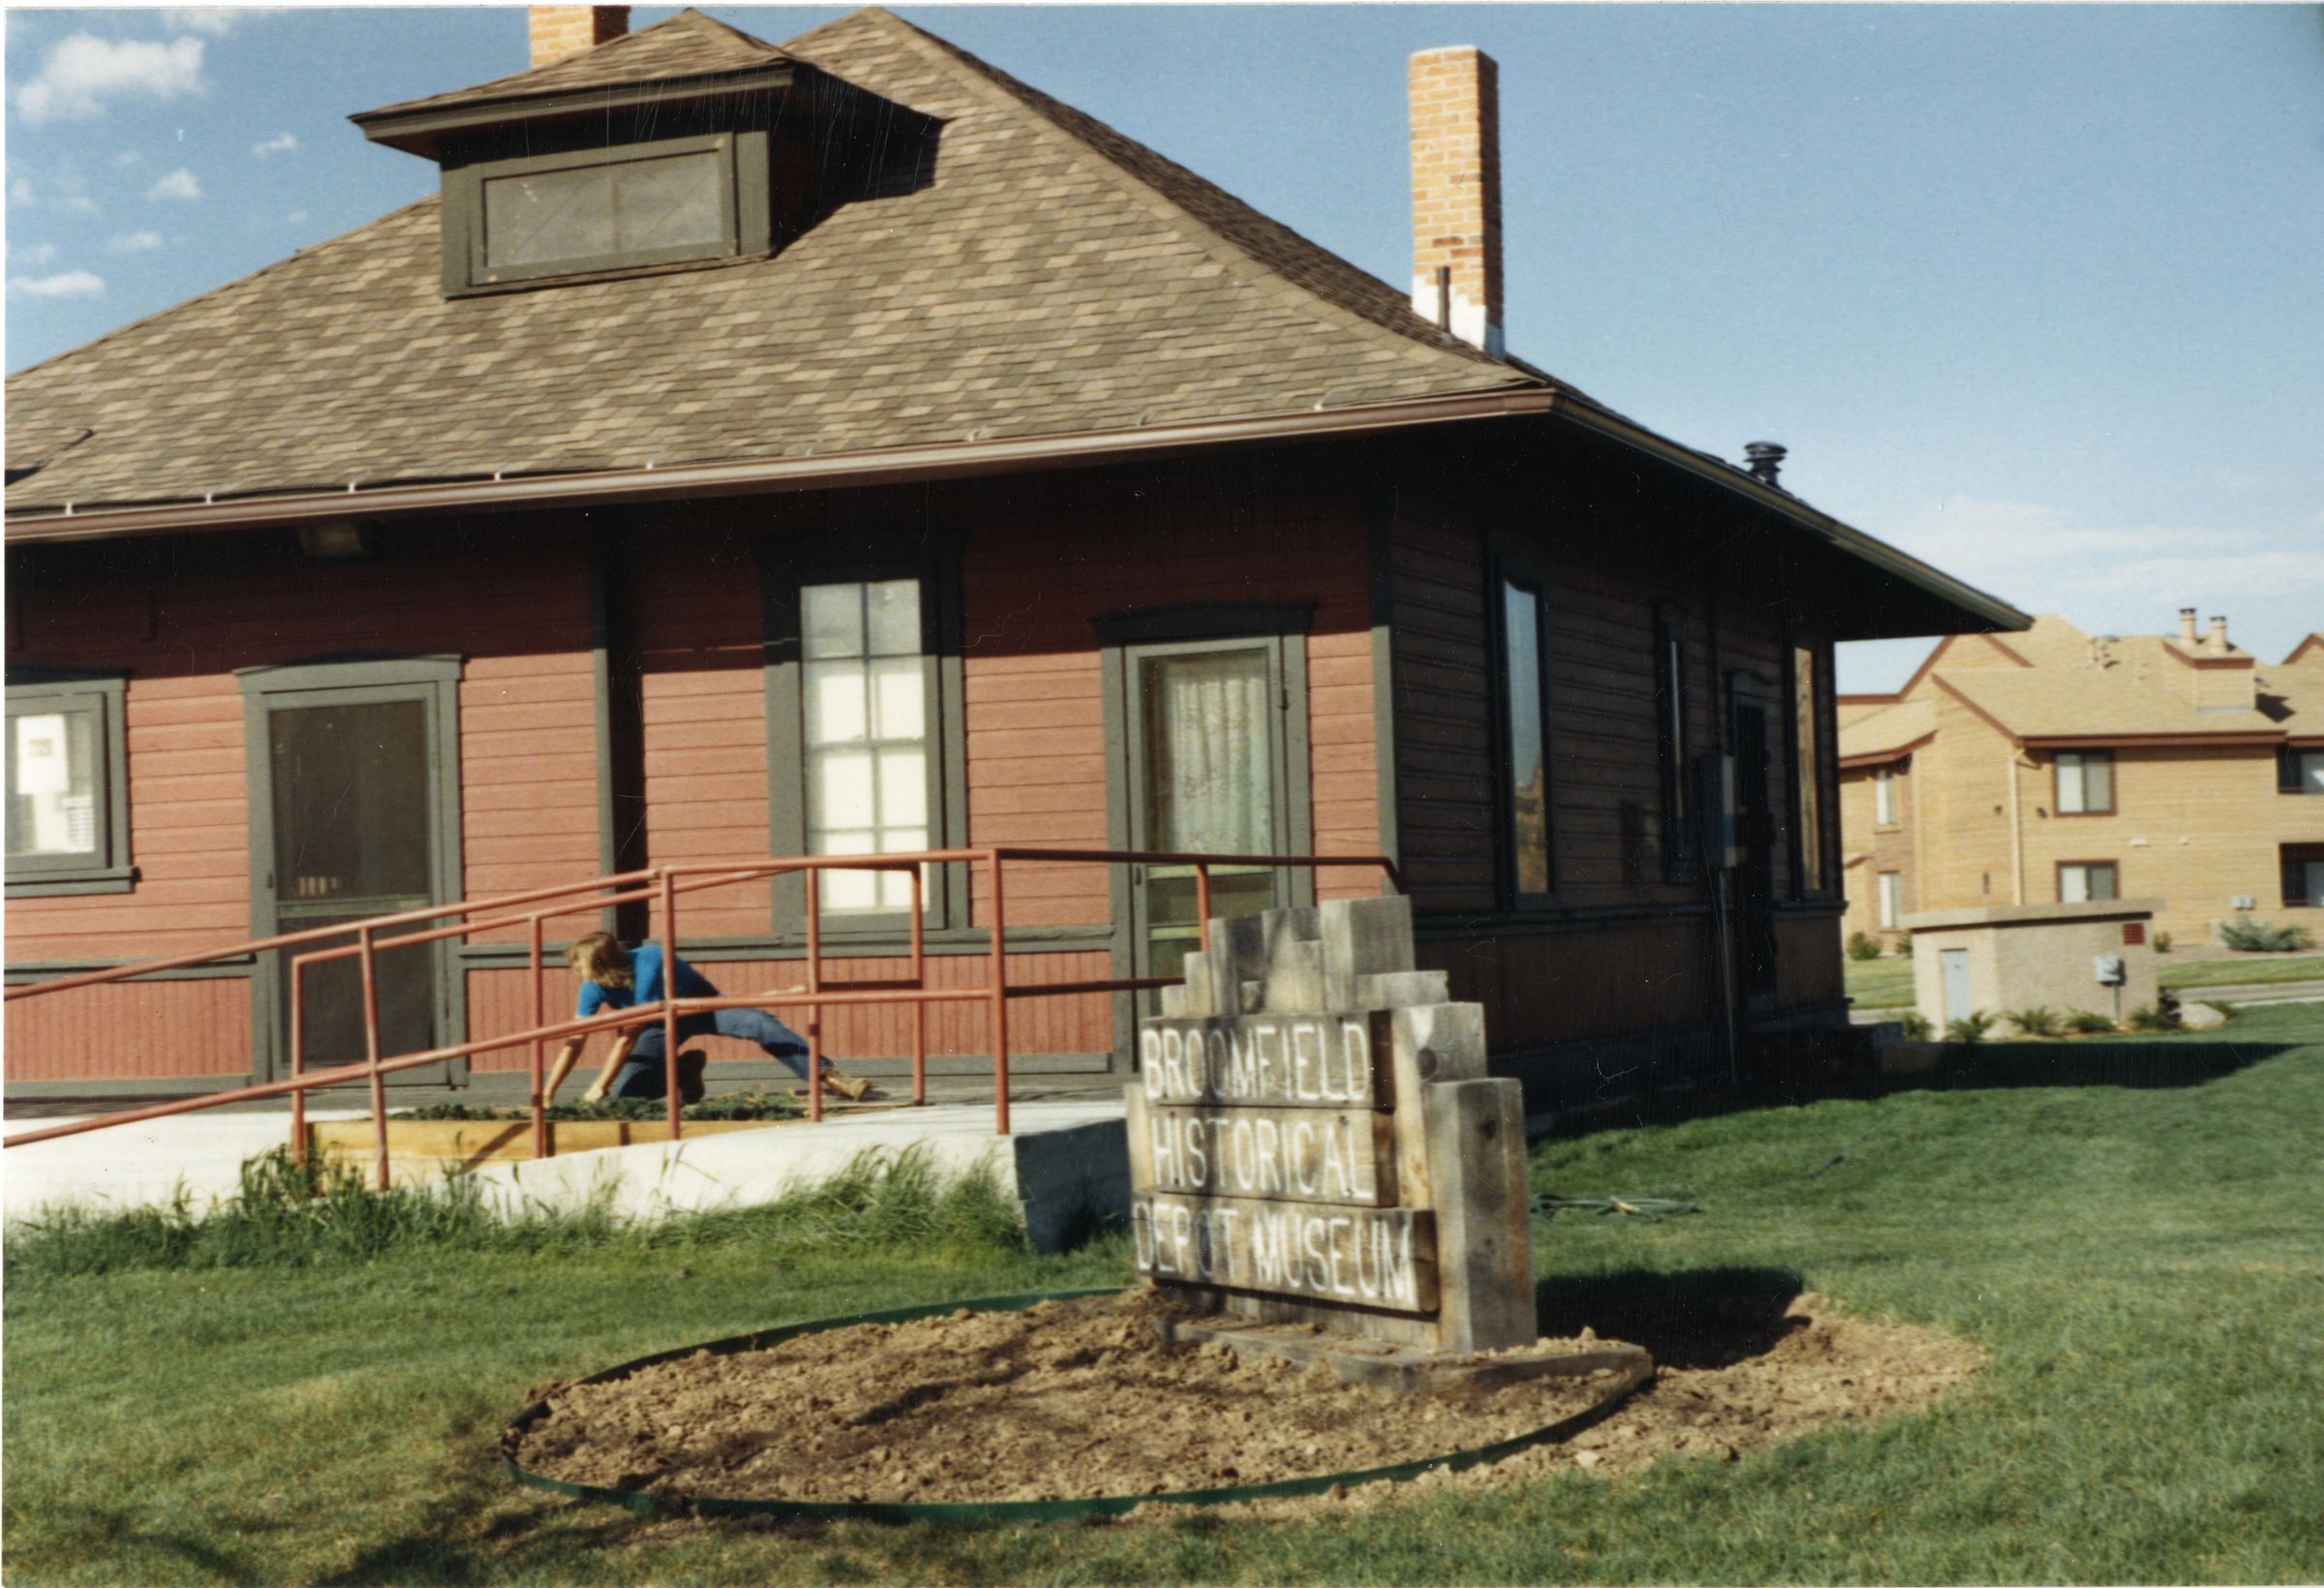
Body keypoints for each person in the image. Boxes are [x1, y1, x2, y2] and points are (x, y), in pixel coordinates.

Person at [542, 931, 872, 1104]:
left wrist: (599, 1085)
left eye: (580, 968)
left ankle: (829, 1076)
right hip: (658, 1024)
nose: (578, 975)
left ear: (604, 963)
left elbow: (627, 1038)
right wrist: (547, 1092)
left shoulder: (648, 961)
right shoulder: (593, 986)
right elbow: (576, 1040)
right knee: (630, 1094)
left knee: (759, 1023)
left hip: (702, 1005)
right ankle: (684, 1072)